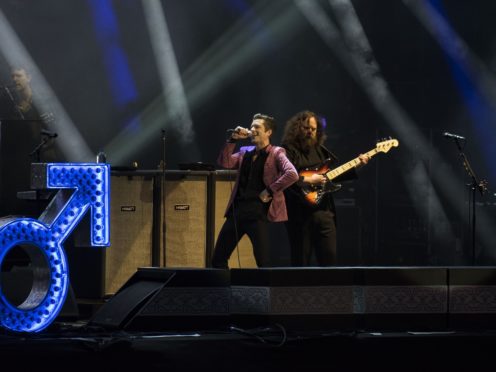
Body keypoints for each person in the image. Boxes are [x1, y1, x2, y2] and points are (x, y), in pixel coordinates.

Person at [281, 110, 369, 266]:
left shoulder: (321, 151)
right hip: (300, 215)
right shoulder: (287, 150)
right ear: (297, 128)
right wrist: (308, 179)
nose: (310, 132)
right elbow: (283, 177)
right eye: (306, 128)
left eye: (314, 129)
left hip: (324, 213)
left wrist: (359, 165)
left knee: (329, 261)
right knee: (300, 264)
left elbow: (333, 176)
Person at [211, 113, 299, 269]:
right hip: (237, 213)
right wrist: (233, 140)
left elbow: (292, 174)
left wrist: (270, 190)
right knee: (218, 259)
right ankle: (223, 293)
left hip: (258, 214)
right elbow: (225, 162)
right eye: (251, 126)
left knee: (263, 263)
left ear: (268, 132)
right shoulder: (245, 152)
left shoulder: (277, 152)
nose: (252, 129)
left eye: (257, 127)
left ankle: (262, 294)